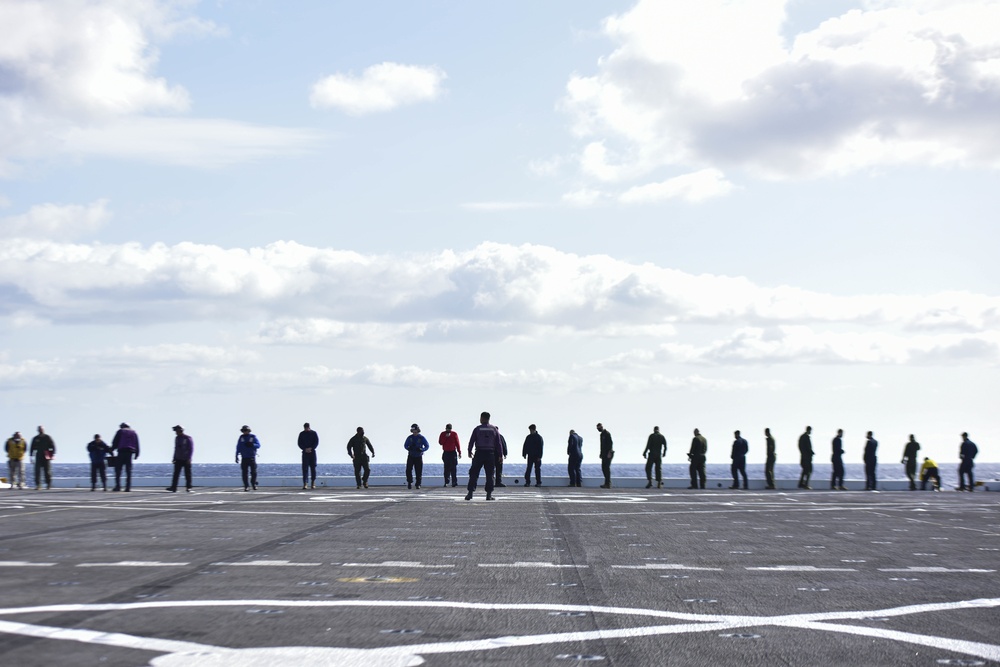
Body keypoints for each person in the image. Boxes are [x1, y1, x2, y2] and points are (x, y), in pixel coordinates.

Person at [465, 411, 500, 501]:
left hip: (479, 453)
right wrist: (500, 455)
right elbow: (498, 443)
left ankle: (470, 493)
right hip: (490, 454)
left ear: (482, 418)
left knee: (474, 473)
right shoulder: (494, 429)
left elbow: (472, 440)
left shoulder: (477, 429)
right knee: (490, 475)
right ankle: (489, 495)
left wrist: (469, 451)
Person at [111, 422, 140, 492]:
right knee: (128, 471)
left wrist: (111, 450)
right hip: (130, 453)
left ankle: (118, 486)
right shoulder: (133, 432)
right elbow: (137, 443)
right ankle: (128, 487)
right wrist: (137, 454)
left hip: (121, 452)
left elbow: (115, 442)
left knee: (118, 470)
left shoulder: (120, 431)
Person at [167, 425, 194, 492]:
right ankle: (174, 487)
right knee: (176, 474)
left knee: (187, 474)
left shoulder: (187, 438)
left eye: (177, 431)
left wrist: (189, 458)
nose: (176, 432)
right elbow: (176, 448)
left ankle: (188, 487)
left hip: (186, 459)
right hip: (178, 459)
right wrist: (174, 458)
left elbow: (191, 449)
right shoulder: (177, 438)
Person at [29, 426, 56, 490]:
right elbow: (32, 448)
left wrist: (52, 454)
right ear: (38, 430)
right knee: (37, 471)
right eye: (39, 429)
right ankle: (38, 485)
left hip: (46, 455)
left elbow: (53, 446)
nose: (40, 430)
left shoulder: (47, 437)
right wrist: (31, 456)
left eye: (41, 429)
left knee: (47, 471)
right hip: (38, 455)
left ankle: (48, 484)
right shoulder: (35, 438)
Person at [404, 424, 429, 489]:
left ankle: (418, 484)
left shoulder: (421, 438)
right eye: (413, 431)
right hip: (411, 456)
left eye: (416, 431)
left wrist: (421, 449)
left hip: (418, 456)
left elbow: (427, 446)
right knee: (408, 470)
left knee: (418, 471)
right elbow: (405, 445)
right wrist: (409, 448)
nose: (414, 433)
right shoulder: (410, 438)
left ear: (418, 431)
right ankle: (409, 482)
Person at [235, 425, 260, 491]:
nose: (245, 432)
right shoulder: (241, 437)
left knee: (253, 472)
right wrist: (236, 455)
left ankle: (253, 484)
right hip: (244, 458)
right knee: (244, 473)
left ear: (249, 430)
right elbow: (238, 447)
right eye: (243, 431)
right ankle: (246, 486)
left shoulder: (253, 437)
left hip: (251, 457)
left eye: (246, 430)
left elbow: (258, 445)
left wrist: (252, 445)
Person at [298, 423, 319, 490]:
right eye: (305, 428)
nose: (306, 429)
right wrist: (305, 449)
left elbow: (316, 442)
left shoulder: (314, 433)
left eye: (307, 427)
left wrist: (311, 448)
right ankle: (305, 483)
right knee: (305, 468)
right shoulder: (302, 434)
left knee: (313, 468)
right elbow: (299, 443)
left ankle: (313, 482)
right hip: (305, 453)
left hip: (312, 453)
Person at [597, 423, 614, 489]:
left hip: (608, 453)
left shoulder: (607, 434)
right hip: (604, 453)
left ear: (601, 427)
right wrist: (601, 453)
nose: (598, 429)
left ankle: (608, 483)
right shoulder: (601, 435)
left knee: (607, 468)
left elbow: (610, 443)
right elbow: (602, 445)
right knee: (603, 468)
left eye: (599, 428)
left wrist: (609, 452)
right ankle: (606, 483)